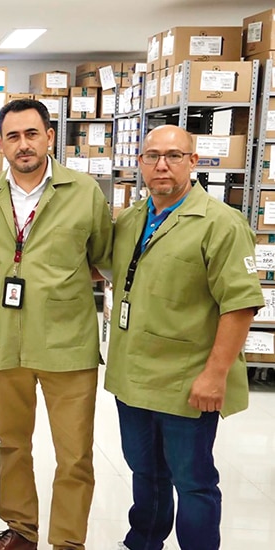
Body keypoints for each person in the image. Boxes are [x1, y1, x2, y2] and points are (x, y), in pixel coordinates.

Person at [106, 125, 264, 550]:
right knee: (144, 469)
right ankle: (143, 541)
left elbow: (240, 305)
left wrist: (215, 375)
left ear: (193, 163)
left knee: (192, 480)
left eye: (174, 156)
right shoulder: (132, 219)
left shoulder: (220, 223)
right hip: (133, 375)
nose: (161, 165)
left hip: (187, 380)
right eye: (151, 155)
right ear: (139, 163)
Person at [0, 98, 112, 550]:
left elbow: (102, 258)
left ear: (50, 137)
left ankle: (68, 541)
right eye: (13, 136)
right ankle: (20, 530)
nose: (23, 144)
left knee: (74, 455)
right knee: (12, 445)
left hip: (67, 343)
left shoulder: (84, 190)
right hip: (5, 342)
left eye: (32, 133)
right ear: (0, 144)